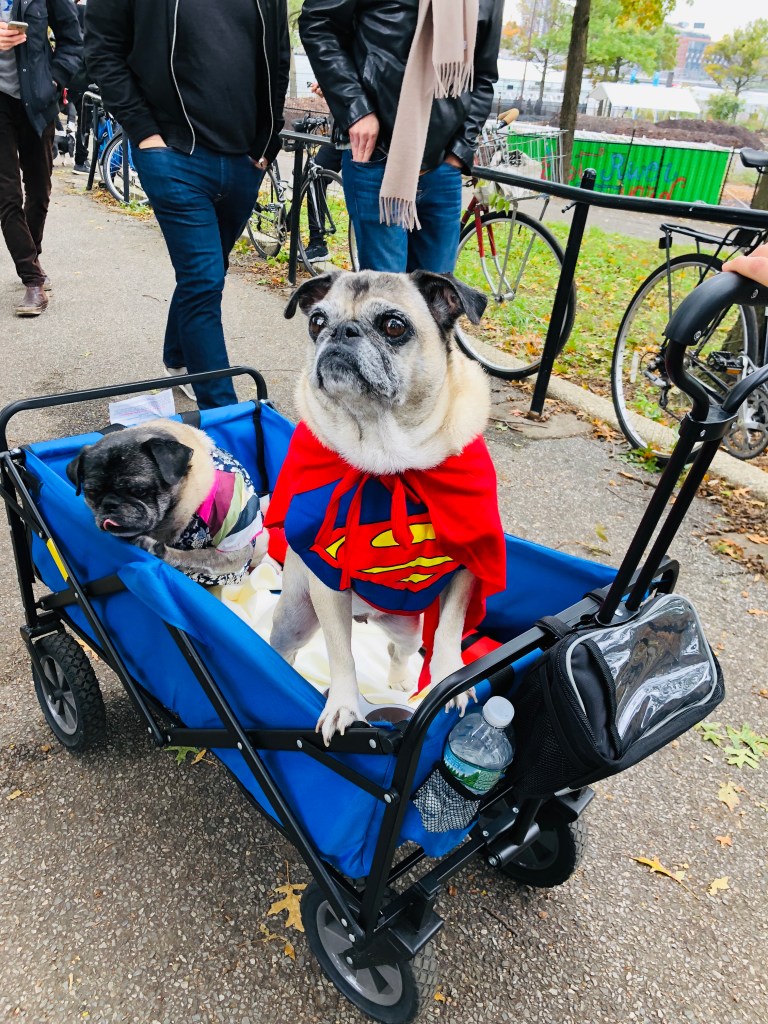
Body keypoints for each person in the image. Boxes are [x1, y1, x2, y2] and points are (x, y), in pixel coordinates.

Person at [85, 0, 290, 409]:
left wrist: (268, 142)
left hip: (245, 159)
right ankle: (225, 414)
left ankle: (179, 358)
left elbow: (278, 59)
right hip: (173, 154)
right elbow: (103, 49)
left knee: (209, 271)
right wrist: (144, 132)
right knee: (203, 278)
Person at [299, 0, 503, 275]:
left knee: (436, 293)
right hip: (377, 156)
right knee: (387, 293)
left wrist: (460, 150)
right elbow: (318, 22)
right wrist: (356, 110)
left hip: (443, 166)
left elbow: (484, 75)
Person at [0, 0, 83, 316]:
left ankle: (31, 253)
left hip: (38, 101)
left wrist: (54, 80)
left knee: (39, 190)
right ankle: (32, 279)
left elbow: (73, 40)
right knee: (7, 195)